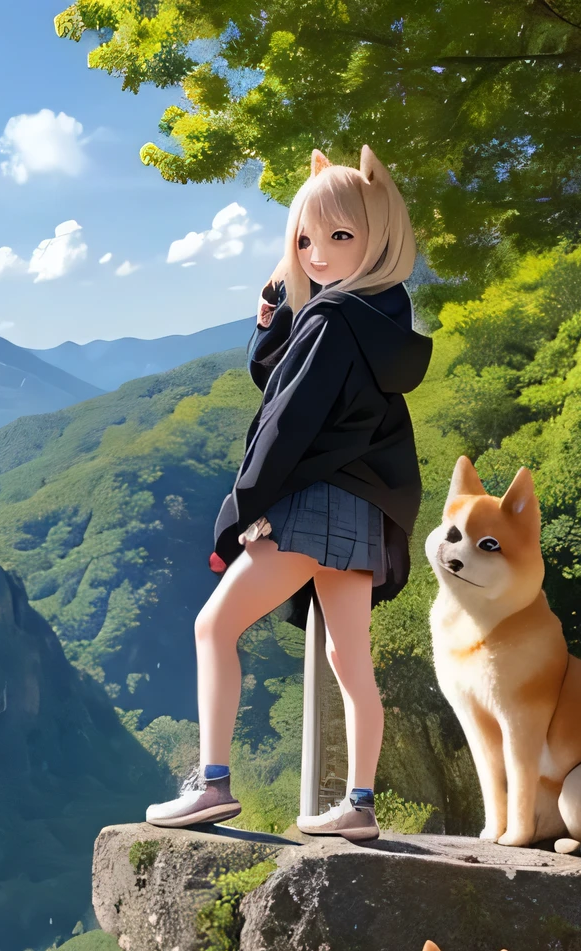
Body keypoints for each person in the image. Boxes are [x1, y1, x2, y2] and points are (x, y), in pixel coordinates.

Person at [146, 146, 431, 842]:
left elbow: (285, 421)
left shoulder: (332, 320)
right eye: (305, 239)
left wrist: (246, 509)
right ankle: (359, 803)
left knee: (214, 628)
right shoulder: (370, 321)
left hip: (315, 503)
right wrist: (272, 321)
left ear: (378, 236)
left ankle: (212, 783)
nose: (319, 253)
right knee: (349, 660)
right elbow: (278, 374)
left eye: (340, 236)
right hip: (363, 511)